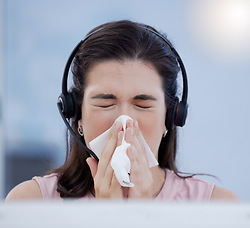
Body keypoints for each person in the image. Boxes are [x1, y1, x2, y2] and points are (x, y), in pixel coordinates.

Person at [6, 20, 238, 201]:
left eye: (143, 105)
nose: (124, 122)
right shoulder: (31, 202)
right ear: (77, 116)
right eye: (105, 104)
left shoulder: (216, 206)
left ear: (170, 117)